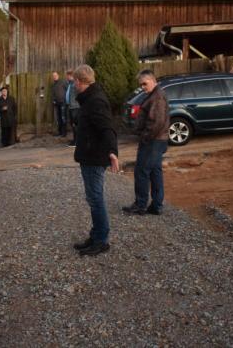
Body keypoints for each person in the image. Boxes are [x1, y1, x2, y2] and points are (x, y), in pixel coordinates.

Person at [71, 64, 119, 256]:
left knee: (96, 199)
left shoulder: (95, 101)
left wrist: (112, 152)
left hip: (94, 158)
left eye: (74, 81)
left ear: (79, 81)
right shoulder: (89, 99)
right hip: (89, 156)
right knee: (93, 198)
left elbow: (107, 128)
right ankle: (96, 235)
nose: (73, 84)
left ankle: (101, 240)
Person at [123, 70, 170, 216]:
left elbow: (156, 123)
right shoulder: (154, 95)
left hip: (153, 141)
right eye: (141, 84)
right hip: (157, 140)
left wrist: (145, 137)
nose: (143, 86)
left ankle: (140, 205)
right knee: (155, 172)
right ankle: (156, 206)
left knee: (142, 172)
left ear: (153, 80)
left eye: (145, 83)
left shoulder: (157, 97)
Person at [65, 69, 80, 147]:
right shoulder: (70, 84)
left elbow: (79, 95)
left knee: (75, 124)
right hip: (70, 107)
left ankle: (76, 142)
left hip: (75, 107)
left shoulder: (74, 84)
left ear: (70, 76)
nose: (66, 77)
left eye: (67, 75)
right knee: (72, 124)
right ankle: (75, 140)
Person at [51, 71, 67, 137]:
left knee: (63, 118)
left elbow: (67, 91)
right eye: (53, 76)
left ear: (58, 75)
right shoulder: (53, 84)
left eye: (55, 75)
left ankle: (64, 133)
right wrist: (53, 100)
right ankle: (60, 132)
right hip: (56, 103)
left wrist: (66, 100)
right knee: (58, 118)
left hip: (63, 102)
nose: (54, 77)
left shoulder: (63, 82)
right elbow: (53, 94)